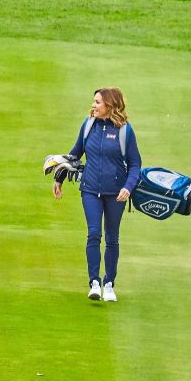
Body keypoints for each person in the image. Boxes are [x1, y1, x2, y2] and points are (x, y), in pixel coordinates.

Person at [53, 87, 141, 302]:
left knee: (112, 238)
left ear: (110, 105)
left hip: (116, 193)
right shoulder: (88, 125)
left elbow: (135, 164)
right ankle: (94, 283)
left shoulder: (124, 131)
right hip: (90, 189)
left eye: (98, 102)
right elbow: (74, 155)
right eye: (93, 102)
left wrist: (127, 188)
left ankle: (109, 283)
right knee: (94, 233)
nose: (93, 106)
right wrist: (59, 177)